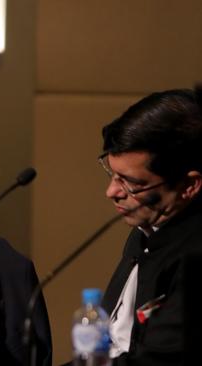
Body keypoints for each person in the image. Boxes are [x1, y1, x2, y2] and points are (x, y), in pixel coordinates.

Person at [96, 86, 202, 364]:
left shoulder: (195, 257)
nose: (112, 192)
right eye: (112, 174)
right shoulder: (145, 229)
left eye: (131, 183)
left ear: (189, 186)